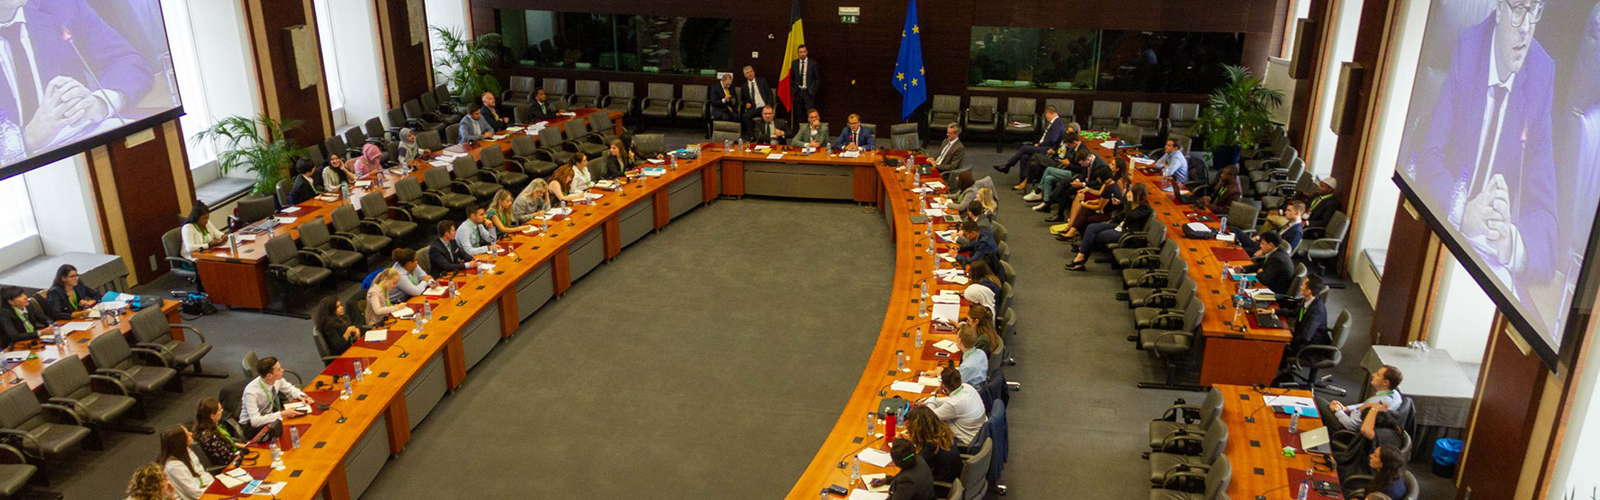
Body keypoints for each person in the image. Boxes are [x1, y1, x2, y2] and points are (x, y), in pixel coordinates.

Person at [1407, 0, 1557, 290]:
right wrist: (1462, 211)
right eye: (1517, 10)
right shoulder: (1468, 48)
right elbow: (1427, 156)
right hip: (1437, 238)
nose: (1526, 28)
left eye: (1535, 10)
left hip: (1486, 270)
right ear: (1499, 9)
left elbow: (1547, 220)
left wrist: (1510, 240)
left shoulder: (1541, 74)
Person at [0, 0, 155, 160]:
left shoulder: (60, 6)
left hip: (84, 156)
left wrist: (100, 103)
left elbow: (128, 62)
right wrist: (27, 140)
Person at [1067, 183, 1151, 271]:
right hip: (1119, 225)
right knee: (1091, 227)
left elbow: (1130, 216)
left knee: (1098, 236)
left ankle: (1080, 258)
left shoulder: (1145, 207)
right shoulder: (1133, 201)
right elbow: (1123, 211)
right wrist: (1119, 203)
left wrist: (1129, 202)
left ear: (1137, 195)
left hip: (1127, 232)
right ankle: (1081, 257)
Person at [240, 356, 312, 436]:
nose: (283, 370)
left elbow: (290, 389)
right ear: (269, 376)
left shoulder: (277, 379)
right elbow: (255, 421)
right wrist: (282, 414)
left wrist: (302, 396)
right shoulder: (251, 392)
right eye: (279, 369)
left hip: (269, 415)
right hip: (251, 426)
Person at [902, 405, 962, 492]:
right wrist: (913, 440)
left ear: (918, 428)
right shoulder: (944, 432)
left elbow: (910, 464)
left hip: (939, 488)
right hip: (952, 478)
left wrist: (904, 449)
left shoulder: (930, 447)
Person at [1326, 365, 1404, 431]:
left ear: (1385, 382)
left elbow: (1351, 425)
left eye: (1378, 374)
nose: (1373, 375)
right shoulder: (1395, 395)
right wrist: (1346, 409)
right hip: (1356, 417)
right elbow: (1364, 404)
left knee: (1320, 403)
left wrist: (1337, 410)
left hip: (1348, 428)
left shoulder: (1376, 403)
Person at [921, 368, 986, 446]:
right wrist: (928, 401)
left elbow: (930, 415)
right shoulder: (967, 387)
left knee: (927, 427)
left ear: (943, 386)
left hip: (967, 439)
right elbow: (950, 400)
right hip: (979, 432)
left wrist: (933, 394)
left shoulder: (954, 404)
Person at [994, 105, 1064, 176]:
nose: (1046, 116)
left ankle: (1007, 166)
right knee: (1024, 157)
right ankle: (1022, 180)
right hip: (1044, 147)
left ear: (1049, 113)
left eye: (1046, 114)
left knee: (1024, 148)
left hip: (1047, 149)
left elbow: (1053, 140)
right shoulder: (1055, 123)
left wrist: (1040, 145)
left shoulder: (1057, 124)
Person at [158, 424, 214, 500]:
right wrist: (214, 489)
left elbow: (201, 473)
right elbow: (195, 493)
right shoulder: (174, 467)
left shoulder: (187, 451)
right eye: (187, 435)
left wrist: (213, 484)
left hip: (205, 489)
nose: (191, 434)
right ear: (180, 441)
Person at [1233, 230, 1294, 295]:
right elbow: (1261, 265)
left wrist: (1260, 272)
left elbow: (1265, 280)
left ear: (1270, 245)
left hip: (1273, 292)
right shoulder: (1276, 251)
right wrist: (1243, 268)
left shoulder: (1277, 259)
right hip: (1268, 283)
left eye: (1262, 243)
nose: (1260, 246)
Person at [192, 398, 247, 468]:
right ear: (212, 416)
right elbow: (226, 458)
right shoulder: (209, 437)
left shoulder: (211, 427)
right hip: (230, 464)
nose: (222, 410)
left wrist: (244, 446)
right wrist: (244, 453)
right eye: (219, 410)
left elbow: (225, 444)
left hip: (233, 455)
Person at [736, 65, 776, 134]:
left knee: (767, 114)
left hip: (765, 106)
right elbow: (744, 99)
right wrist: (746, 104)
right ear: (745, 75)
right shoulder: (744, 86)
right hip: (754, 108)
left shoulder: (762, 81)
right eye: (747, 73)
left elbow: (770, 94)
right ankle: (752, 136)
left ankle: (768, 134)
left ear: (754, 72)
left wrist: (769, 106)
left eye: (751, 71)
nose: (750, 73)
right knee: (745, 116)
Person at [789, 44, 820, 117]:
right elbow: (791, 78)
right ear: (798, 53)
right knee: (798, 113)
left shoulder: (813, 63)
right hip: (798, 92)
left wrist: (813, 90)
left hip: (808, 92)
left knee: (810, 113)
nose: (802, 54)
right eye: (800, 52)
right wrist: (793, 90)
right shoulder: (794, 63)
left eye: (804, 52)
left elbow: (817, 79)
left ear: (807, 52)